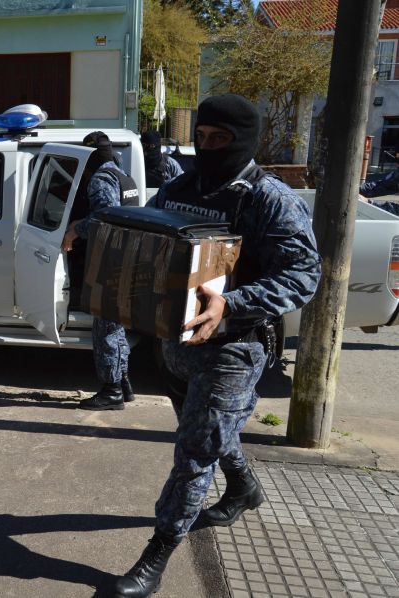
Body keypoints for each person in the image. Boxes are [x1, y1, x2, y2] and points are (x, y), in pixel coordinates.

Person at [112, 94, 321, 598]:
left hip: (235, 347)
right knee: (204, 429)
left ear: (242, 140)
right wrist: (99, 228)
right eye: (201, 137)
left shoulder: (268, 198)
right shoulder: (183, 187)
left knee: (194, 451)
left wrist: (233, 302)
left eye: (219, 140)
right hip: (178, 343)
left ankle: (156, 554)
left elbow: (304, 274)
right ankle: (246, 488)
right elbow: (150, 236)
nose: (207, 148)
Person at [62, 131, 138, 410]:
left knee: (105, 329)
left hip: (111, 259)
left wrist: (75, 229)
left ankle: (111, 391)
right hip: (125, 258)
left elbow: (108, 217)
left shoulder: (101, 178)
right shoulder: (122, 175)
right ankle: (124, 382)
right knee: (115, 327)